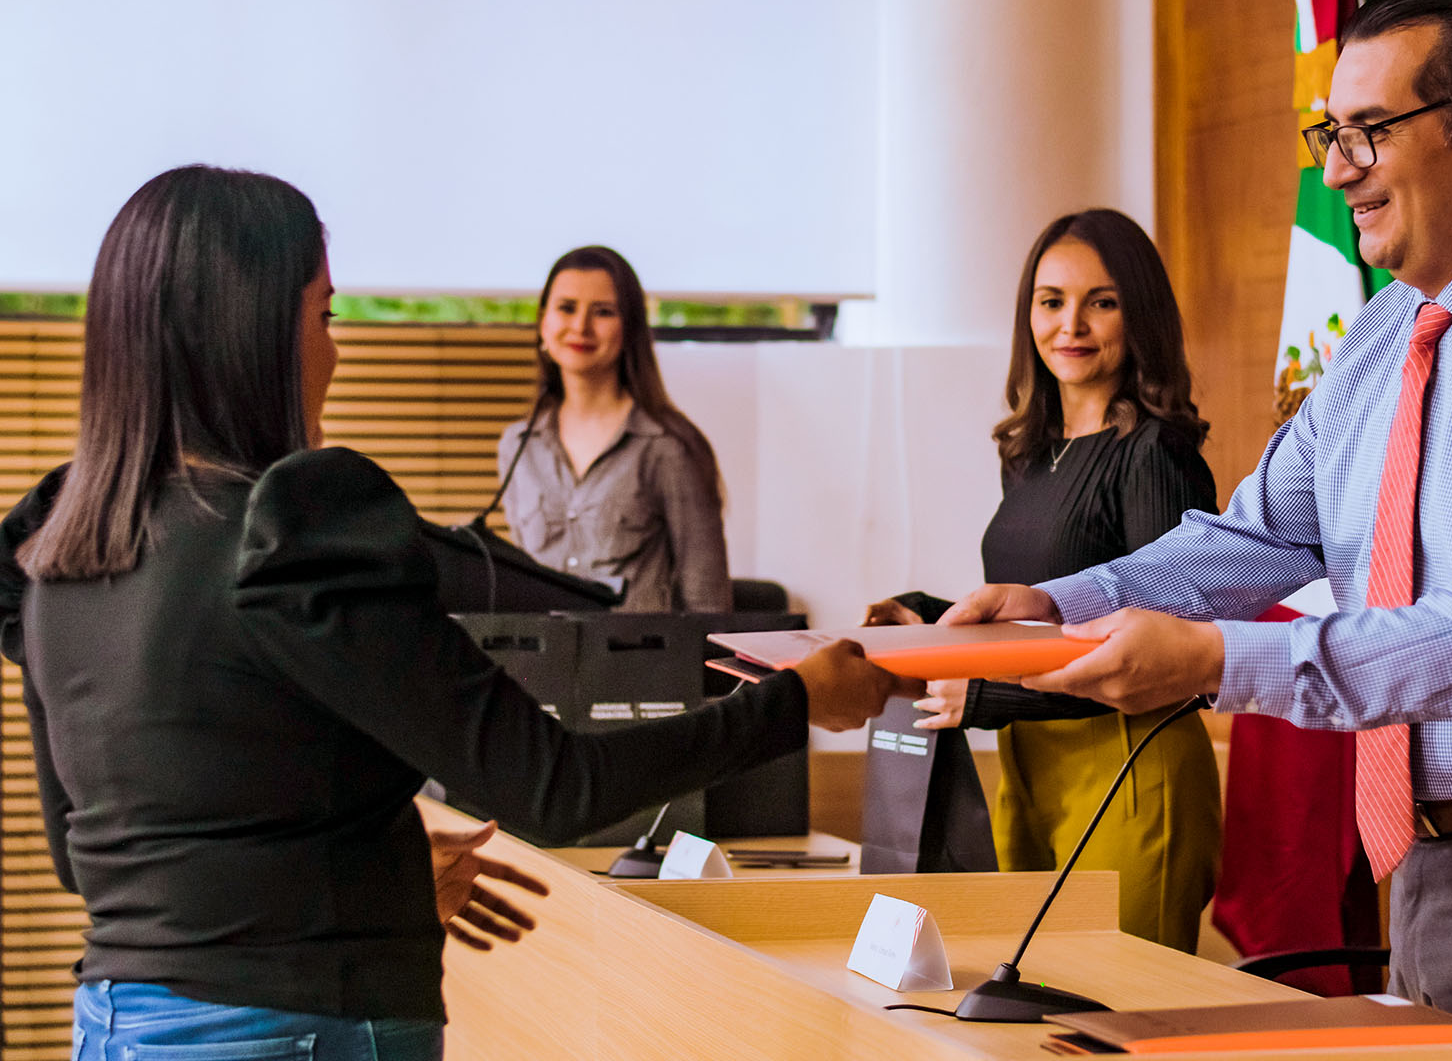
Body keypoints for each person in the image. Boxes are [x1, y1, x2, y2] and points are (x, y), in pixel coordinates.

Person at [942, 0, 1452, 1041]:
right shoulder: (1384, 338)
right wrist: (1055, 609)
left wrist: (1211, 662)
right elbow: (1257, 538)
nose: (1336, 170)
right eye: (1332, 132)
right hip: (1429, 857)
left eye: (1368, 131)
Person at [0, 165, 908, 1060]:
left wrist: (376, 870)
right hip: (296, 1028)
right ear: (255, 333)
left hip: (119, 1025)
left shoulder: (62, 550)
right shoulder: (293, 531)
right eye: (323, 316)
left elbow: (97, 862)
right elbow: (555, 788)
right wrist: (792, 702)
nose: (334, 349)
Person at [865, 208, 1222, 952]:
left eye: (1103, 301)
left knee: (1120, 1018)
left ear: (1140, 314)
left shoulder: (1157, 454)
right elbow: (1043, 600)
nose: (1072, 324)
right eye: (1051, 300)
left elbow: (1163, 651)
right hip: (1029, 760)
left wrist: (986, 692)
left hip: (1129, 762)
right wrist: (927, 618)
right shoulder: (1030, 452)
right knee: (1036, 1019)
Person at [497, 246, 730, 612]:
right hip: (543, 665)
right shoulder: (517, 446)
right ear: (543, 322)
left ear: (630, 327)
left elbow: (707, 601)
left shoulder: (669, 445)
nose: (580, 327)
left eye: (603, 312)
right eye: (566, 308)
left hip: (639, 666)